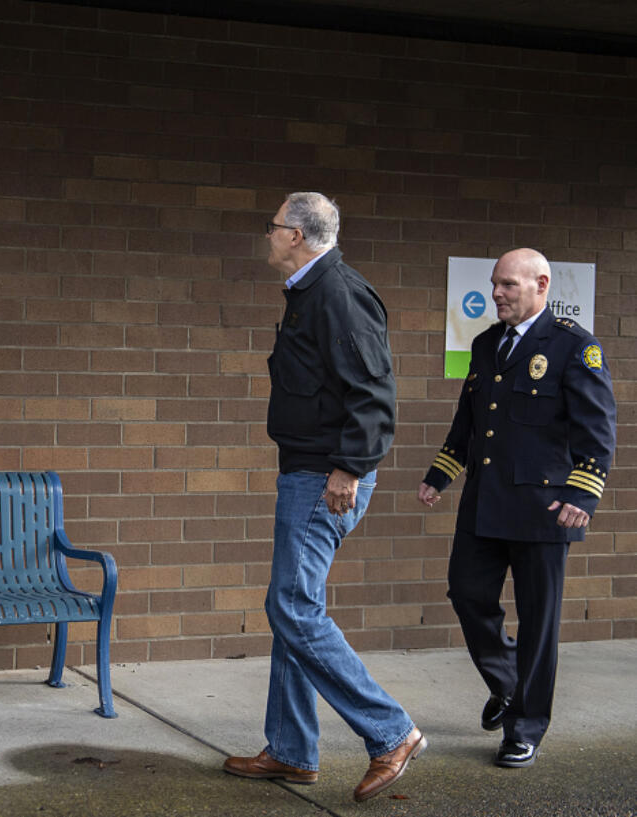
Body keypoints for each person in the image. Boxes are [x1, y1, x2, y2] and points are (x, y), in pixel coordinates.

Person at [223, 192, 425, 802]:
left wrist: (349, 468)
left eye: (274, 226)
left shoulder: (339, 293)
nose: (267, 235)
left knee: (291, 606)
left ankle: (391, 732)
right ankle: (290, 748)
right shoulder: (311, 292)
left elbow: (373, 389)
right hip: (307, 472)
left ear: (298, 236)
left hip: (325, 478)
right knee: (295, 606)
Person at [417, 248, 616, 768]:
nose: (498, 293)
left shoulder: (576, 347)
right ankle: (507, 683)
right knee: (467, 593)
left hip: (543, 508)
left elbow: (597, 428)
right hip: (484, 502)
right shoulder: (486, 345)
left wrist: (582, 494)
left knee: (539, 623)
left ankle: (525, 728)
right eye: (494, 284)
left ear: (541, 284)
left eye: (508, 284)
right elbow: (470, 418)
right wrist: (440, 474)